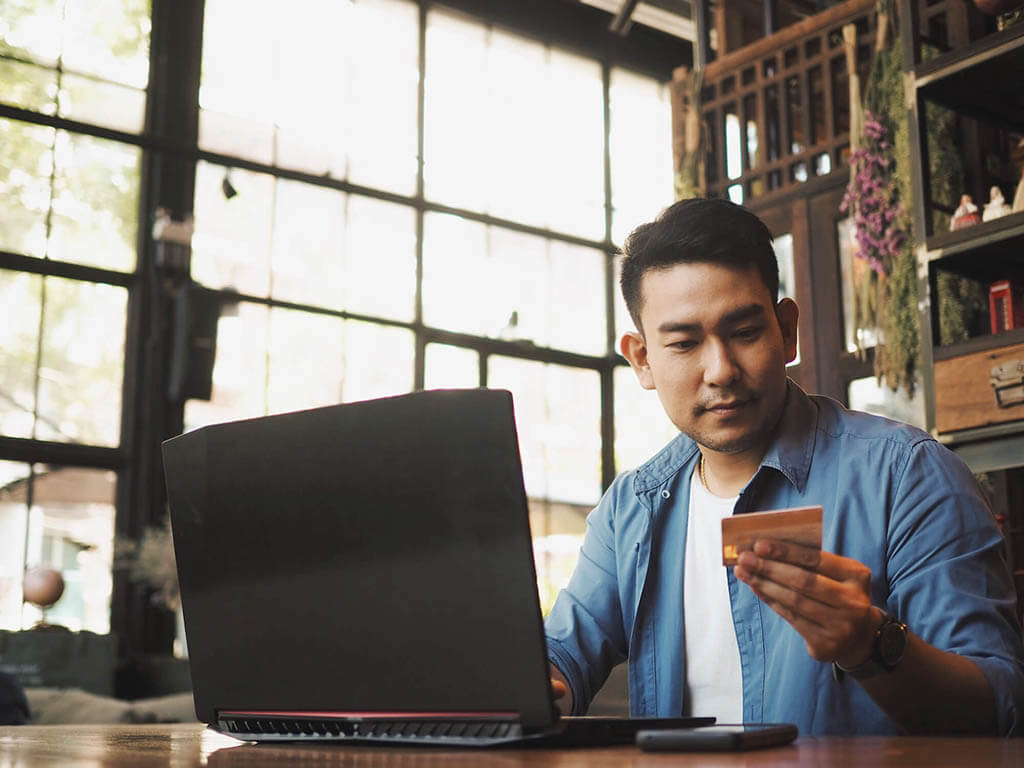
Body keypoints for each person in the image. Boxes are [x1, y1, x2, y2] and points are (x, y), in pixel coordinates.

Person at [544, 197, 1024, 736]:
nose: (720, 370)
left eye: (745, 333)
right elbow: (563, 653)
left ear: (786, 330)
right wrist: (541, 680)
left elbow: (999, 710)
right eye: (683, 343)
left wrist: (871, 646)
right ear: (642, 359)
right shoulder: (630, 509)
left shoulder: (908, 477)